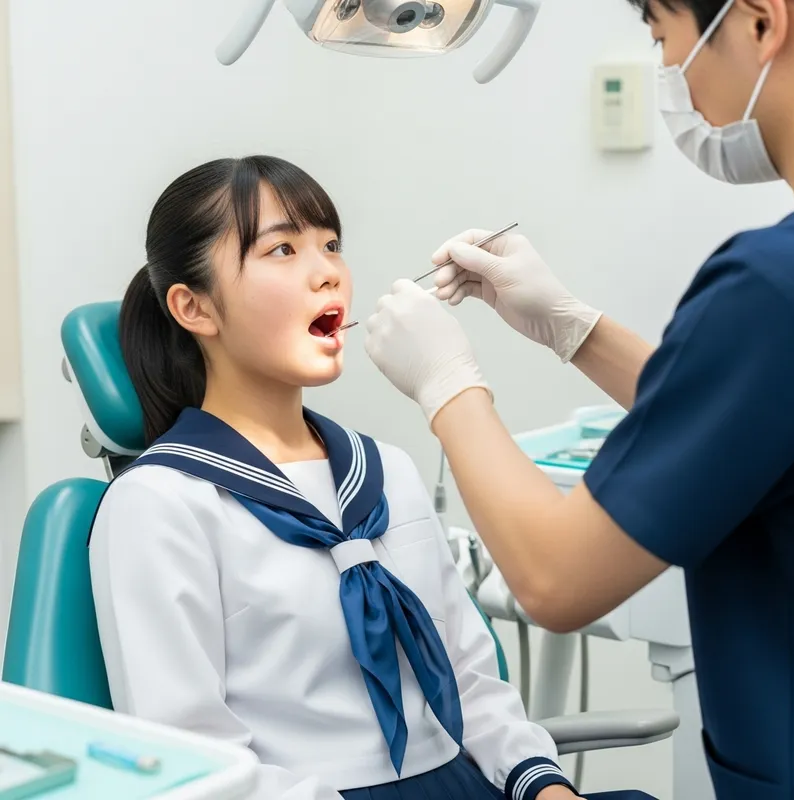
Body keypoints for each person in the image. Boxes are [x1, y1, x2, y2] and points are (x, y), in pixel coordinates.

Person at [88, 156, 648, 800]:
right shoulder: (161, 505)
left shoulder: (385, 472)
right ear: (194, 308)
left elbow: (470, 682)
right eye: (282, 250)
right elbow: (194, 761)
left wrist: (545, 787)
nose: (327, 271)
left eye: (331, 245)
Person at [363, 1, 794, 798]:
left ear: (762, 23)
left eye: (664, 39)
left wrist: (448, 386)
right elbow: (756, 413)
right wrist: (575, 329)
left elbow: (555, 580)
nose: (672, 77)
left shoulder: (774, 293)